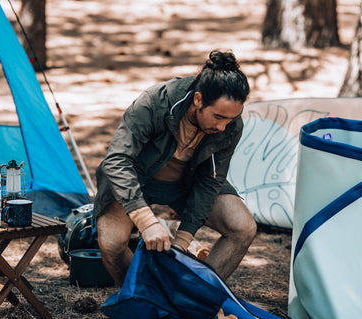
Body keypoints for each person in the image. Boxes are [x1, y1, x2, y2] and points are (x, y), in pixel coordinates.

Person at [93, 50, 257, 286]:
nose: (223, 127)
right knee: (111, 243)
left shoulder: (230, 125)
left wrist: (182, 240)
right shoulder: (155, 102)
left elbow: (210, 182)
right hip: (137, 177)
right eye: (218, 117)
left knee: (243, 227)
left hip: (185, 183)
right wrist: (146, 221)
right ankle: (141, 298)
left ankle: (193, 295)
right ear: (198, 99)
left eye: (230, 120)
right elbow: (117, 160)